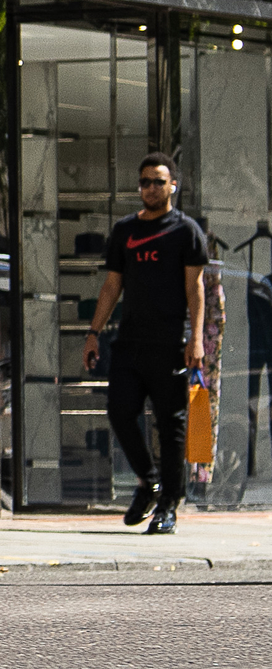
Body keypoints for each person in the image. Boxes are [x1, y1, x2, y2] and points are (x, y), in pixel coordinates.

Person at [82, 154, 208, 534]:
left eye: (158, 181)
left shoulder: (186, 231)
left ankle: (169, 503)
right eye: (144, 182)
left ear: (173, 186)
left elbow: (195, 288)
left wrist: (196, 339)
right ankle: (148, 481)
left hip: (170, 343)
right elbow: (111, 286)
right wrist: (93, 333)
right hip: (130, 342)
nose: (150, 188)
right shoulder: (124, 231)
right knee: (120, 412)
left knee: (171, 426)